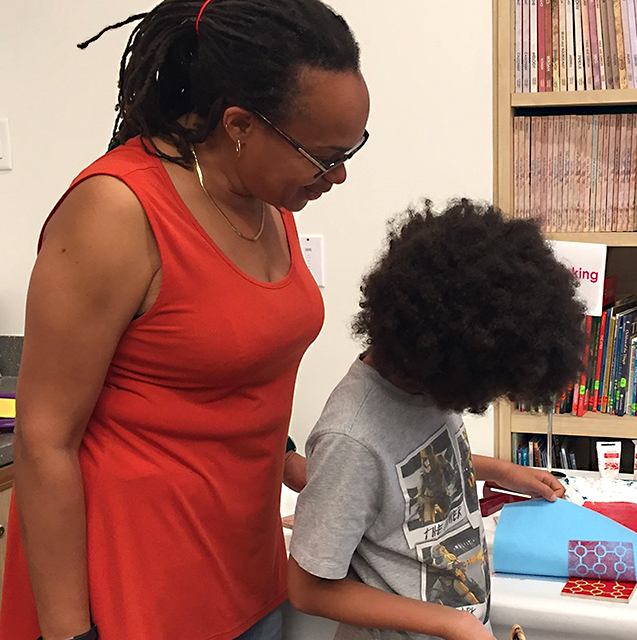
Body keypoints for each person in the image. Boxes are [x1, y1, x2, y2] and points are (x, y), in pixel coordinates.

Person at [0, 1, 369, 639]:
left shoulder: (266, 196)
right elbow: (43, 440)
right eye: (323, 156)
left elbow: (231, 360)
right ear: (240, 126)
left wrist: (306, 466)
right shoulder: (115, 213)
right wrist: (68, 634)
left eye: (351, 150)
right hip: (135, 586)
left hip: (248, 564)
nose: (336, 175)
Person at [286, 199, 587, 640]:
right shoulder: (350, 438)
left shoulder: (424, 380)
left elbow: (420, 463)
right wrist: (452, 622)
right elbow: (308, 588)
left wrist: (503, 471)